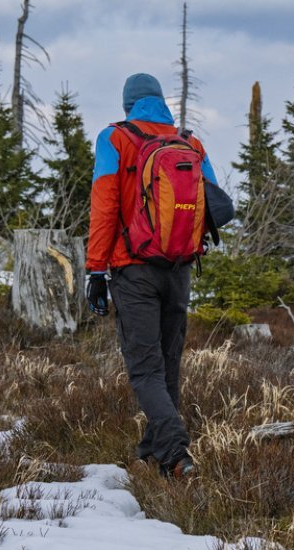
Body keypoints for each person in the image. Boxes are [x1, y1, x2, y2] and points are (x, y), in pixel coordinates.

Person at [85, 73, 219, 478]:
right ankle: (154, 454)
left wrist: (95, 268)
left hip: (134, 269)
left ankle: (176, 451)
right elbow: (216, 203)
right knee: (167, 364)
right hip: (180, 269)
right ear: (161, 102)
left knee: (145, 369)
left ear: (128, 104)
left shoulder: (115, 139)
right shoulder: (190, 143)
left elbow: (105, 206)